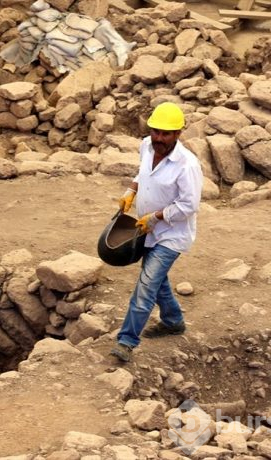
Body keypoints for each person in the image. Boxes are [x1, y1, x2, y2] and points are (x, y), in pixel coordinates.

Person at [110, 102, 203, 363]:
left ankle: (126, 341)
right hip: (145, 230)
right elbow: (143, 173)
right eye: (155, 131)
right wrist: (131, 191)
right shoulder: (146, 146)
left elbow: (189, 205)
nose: (158, 138)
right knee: (155, 278)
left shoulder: (187, 165)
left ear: (177, 134)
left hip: (171, 234)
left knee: (147, 284)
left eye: (165, 134)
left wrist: (156, 216)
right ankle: (173, 321)